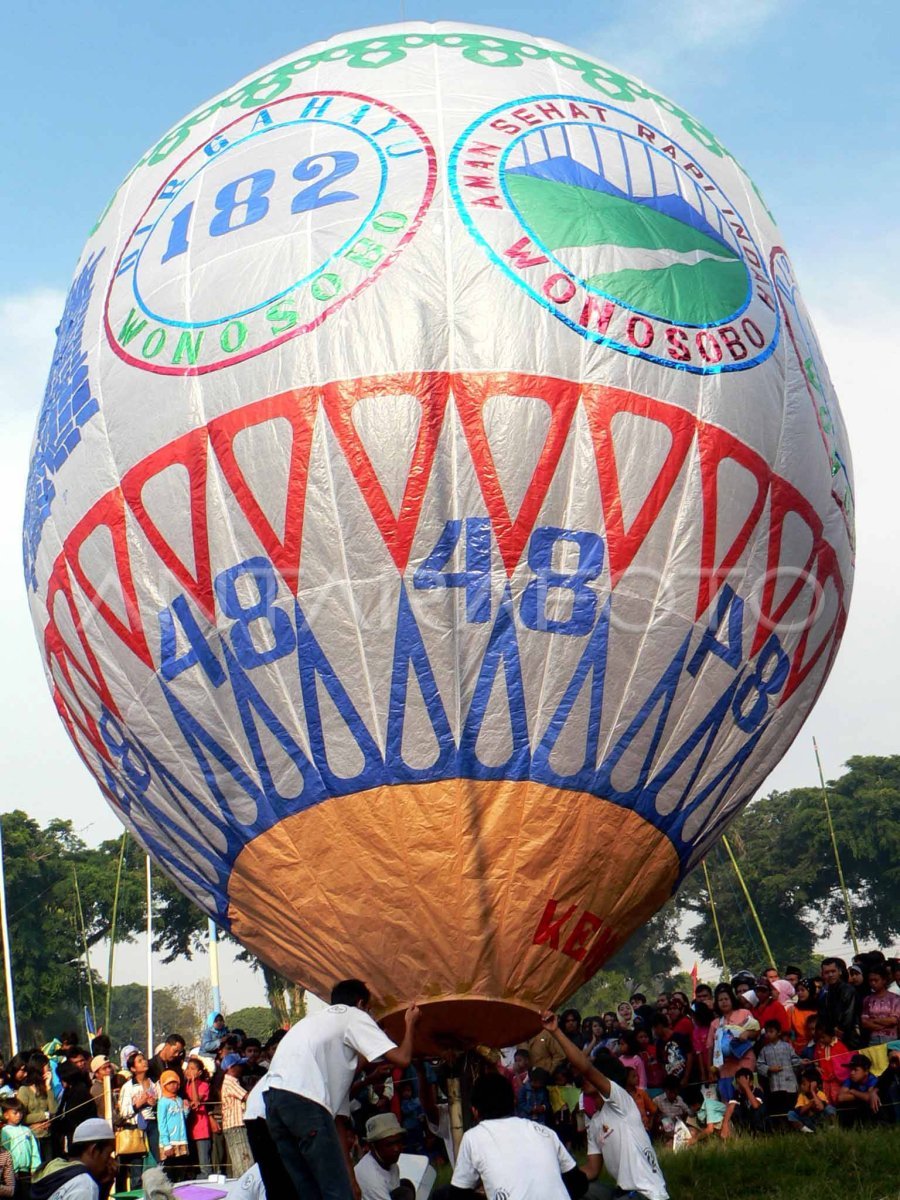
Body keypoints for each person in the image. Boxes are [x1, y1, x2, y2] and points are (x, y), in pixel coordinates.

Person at [264, 979, 419, 1200]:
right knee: (336, 1191)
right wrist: (410, 1023)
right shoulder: (355, 1015)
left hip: (275, 1102)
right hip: (305, 1104)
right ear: (362, 1003)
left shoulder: (317, 1027)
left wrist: (352, 1181)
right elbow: (403, 1058)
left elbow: (338, 1122)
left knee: (310, 1191)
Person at [541, 1011, 667, 1200]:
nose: (584, 1078)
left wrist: (556, 1031)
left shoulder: (620, 1102)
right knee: (579, 1190)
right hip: (621, 1193)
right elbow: (592, 1170)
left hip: (646, 1195)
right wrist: (558, 1179)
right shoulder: (595, 1123)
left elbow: (584, 1067)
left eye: (592, 1075)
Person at [448, 1072, 585, 1200]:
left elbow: (458, 1196)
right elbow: (579, 1185)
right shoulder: (544, 1131)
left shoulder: (473, 1137)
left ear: (475, 1111)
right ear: (514, 1102)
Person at [30, 1118, 116, 1200]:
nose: (111, 1161)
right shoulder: (85, 1184)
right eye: (108, 1154)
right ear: (94, 1150)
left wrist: (104, 1187)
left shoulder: (54, 1172)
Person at [707, 984, 756, 1101]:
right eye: (720, 1000)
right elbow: (710, 1048)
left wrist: (747, 1033)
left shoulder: (745, 1013)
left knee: (748, 1099)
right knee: (730, 1102)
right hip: (725, 1068)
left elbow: (757, 1032)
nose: (724, 1002)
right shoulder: (715, 1023)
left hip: (745, 1063)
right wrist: (710, 1070)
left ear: (732, 999)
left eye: (726, 999)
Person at [117, 1051, 158, 1185]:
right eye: (140, 1061)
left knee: (158, 1161)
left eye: (144, 1059)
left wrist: (154, 1103)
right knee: (136, 1171)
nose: (144, 1062)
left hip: (152, 1125)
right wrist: (138, 1104)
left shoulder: (153, 1083)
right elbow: (124, 1112)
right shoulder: (128, 1087)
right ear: (133, 1068)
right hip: (135, 1128)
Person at [755, 1020, 802, 1120]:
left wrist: (801, 1062)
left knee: (791, 1106)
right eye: (767, 1032)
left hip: (789, 1084)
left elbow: (794, 1059)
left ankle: (794, 1125)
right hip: (775, 1085)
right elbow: (759, 1065)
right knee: (779, 1109)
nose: (768, 1034)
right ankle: (781, 1128)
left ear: (779, 1032)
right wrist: (769, 1068)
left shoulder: (787, 1046)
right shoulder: (764, 1050)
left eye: (771, 1031)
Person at [354, 1113, 407, 1200]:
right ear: (372, 1146)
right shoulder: (372, 1179)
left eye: (398, 1142)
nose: (396, 1148)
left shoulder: (390, 1163)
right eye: (389, 1144)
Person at [16, 1058, 56, 1164]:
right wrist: (45, 1115)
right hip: (32, 1137)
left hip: (47, 1136)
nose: (49, 1070)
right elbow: (22, 1116)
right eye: (47, 1067)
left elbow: (54, 1110)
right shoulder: (24, 1090)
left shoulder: (46, 1089)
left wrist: (48, 1087)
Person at [220, 1054, 253, 1177]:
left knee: (241, 1158)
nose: (242, 1067)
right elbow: (247, 1097)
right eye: (240, 1065)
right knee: (243, 1160)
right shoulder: (230, 1083)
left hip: (236, 1126)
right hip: (236, 1126)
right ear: (232, 1067)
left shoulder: (234, 1082)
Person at [817, 958, 861, 1048]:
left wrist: (839, 1029)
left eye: (833, 971)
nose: (830, 975)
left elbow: (849, 1015)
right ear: (823, 975)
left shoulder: (848, 990)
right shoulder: (826, 993)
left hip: (850, 1037)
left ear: (839, 972)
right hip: (833, 1037)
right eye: (827, 972)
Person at [2, 1096, 41, 1196]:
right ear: (6, 1115)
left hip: (26, 1172)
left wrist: (35, 1167)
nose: (18, 1115)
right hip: (10, 1174)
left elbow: (34, 1150)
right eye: (15, 1113)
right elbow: (4, 1153)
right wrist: (11, 1170)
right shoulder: (4, 1132)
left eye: (20, 1112)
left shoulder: (27, 1130)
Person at [156, 1071, 189, 1178]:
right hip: (170, 1141)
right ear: (164, 1085)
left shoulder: (179, 1100)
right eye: (169, 1083)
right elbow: (162, 1123)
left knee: (181, 1170)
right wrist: (166, 1144)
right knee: (170, 1173)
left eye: (175, 1083)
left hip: (181, 1139)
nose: (173, 1086)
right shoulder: (163, 1102)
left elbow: (183, 1117)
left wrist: (186, 1109)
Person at [183, 1056, 212, 1177]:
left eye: (193, 1069)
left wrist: (194, 1082)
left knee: (204, 1162)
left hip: (201, 1127)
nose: (189, 1071)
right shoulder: (185, 1085)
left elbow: (196, 1101)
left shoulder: (204, 1085)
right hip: (189, 1126)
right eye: (188, 1068)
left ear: (199, 1072)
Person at [836, 1054, 881, 1125]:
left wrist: (853, 1091)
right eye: (851, 1069)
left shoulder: (872, 1079)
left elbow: (869, 1097)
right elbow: (840, 1097)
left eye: (855, 1070)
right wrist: (862, 1096)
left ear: (866, 1071)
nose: (852, 1073)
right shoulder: (849, 1080)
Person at [787, 1068, 836, 1133]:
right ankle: (808, 1132)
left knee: (830, 1108)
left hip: (820, 1120)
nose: (801, 1086)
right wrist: (811, 1103)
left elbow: (820, 1107)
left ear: (812, 1085)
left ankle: (831, 1128)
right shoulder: (802, 1096)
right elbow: (800, 1111)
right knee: (791, 1114)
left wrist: (812, 1091)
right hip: (808, 1121)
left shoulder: (820, 1094)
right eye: (801, 1084)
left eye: (804, 1084)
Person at [861, 964, 900, 1044]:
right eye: (870, 980)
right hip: (873, 1040)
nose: (873, 983)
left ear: (884, 980)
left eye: (876, 980)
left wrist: (873, 1020)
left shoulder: (895, 998)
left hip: (892, 1039)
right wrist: (884, 1024)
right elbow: (864, 1022)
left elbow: (894, 1020)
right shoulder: (867, 1000)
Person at [722, 1068, 765, 1136]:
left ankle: (759, 1133)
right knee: (735, 1109)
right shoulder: (737, 1092)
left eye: (741, 1084)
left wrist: (746, 1086)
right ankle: (742, 1132)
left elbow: (755, 1105)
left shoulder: (757, 1091)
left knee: (756, 1110)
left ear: (750, 1082)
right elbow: (731, 1107)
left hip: (759, 1121)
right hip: (746, 1120)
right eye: (738, 1084)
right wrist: (725, 1124)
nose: (739, 1086)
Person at [653, 1077, 691, 1142]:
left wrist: (684, 1115)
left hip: (678, 1126)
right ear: (666, 1090)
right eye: (672, 1092)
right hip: (665, 1129)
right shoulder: (657, 1100)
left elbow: (689, 1111)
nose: (674, 1095)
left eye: (676, 1093)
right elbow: (653, 1117)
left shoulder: (679, 1099)